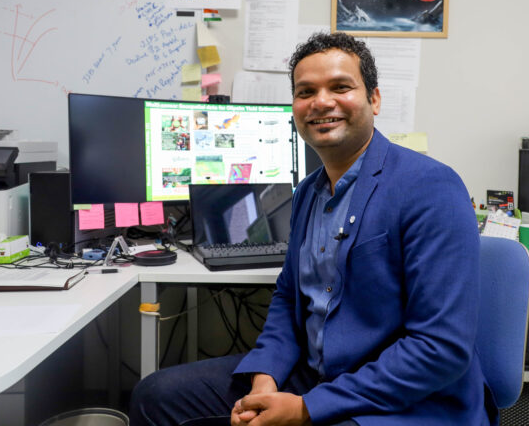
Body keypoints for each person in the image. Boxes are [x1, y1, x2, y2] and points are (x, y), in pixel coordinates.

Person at [129, 32, 496, 426]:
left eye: (340, 87)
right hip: (316, 374)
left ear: (374, 98)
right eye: (306, 91)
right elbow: (289, 299)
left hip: (407, 398)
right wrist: (265, 380)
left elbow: (440, 348)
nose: (321, 102)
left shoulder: (430, 187)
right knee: (156, 397)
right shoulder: (307, 192)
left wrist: (306, 409)